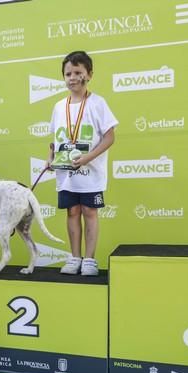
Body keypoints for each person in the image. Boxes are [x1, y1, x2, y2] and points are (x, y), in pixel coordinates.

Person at [46, 51, 118, 276]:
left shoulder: (98, 103)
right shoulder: (59, 106)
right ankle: (74, 256)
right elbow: (53, 141)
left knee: (89, 211)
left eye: (78, 72)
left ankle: (89, 259)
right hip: (67, 175)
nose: (73, 77)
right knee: (72, 211)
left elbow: (109, 137)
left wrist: (88, 158)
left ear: (89, 75)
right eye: (68, 73)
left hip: (91, 174)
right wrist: (50, 159)